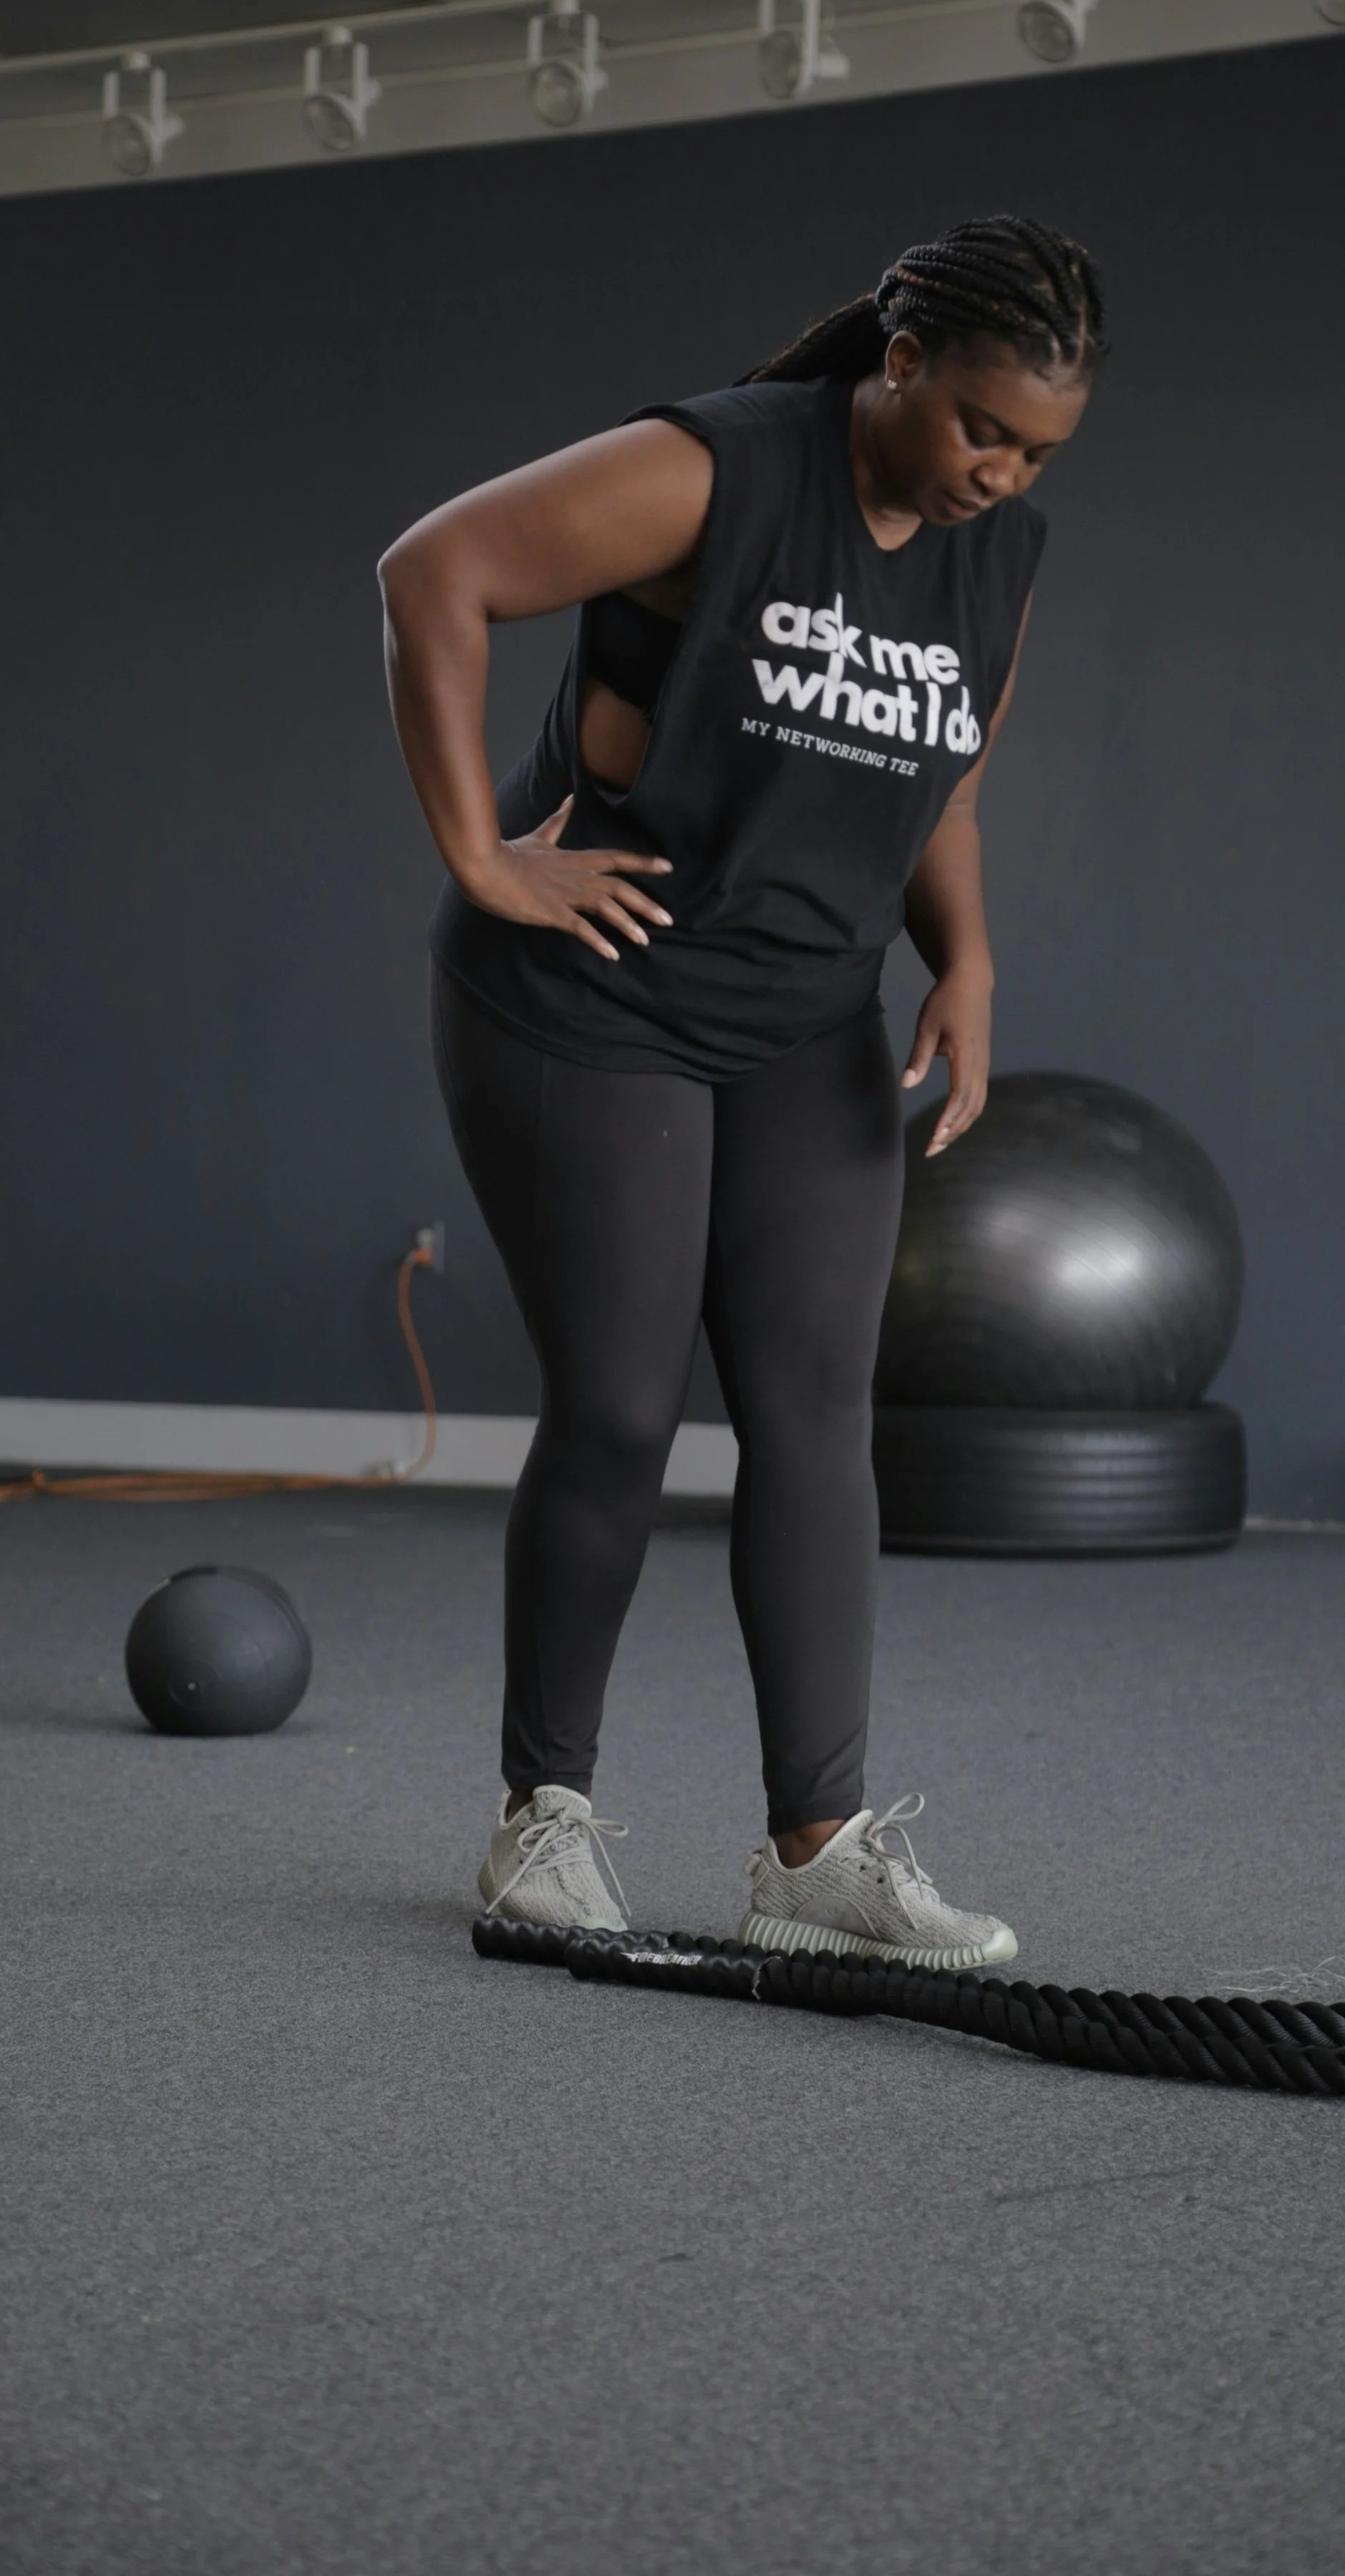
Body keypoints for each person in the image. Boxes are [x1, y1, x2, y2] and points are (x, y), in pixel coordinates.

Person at [378, 213, 1104, 1965]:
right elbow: (432, 569)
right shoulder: (710, 470)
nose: (996, 471)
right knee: (622, 1409)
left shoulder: (994, 557)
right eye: (976, 426)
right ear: (901, 361)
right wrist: (480, 852)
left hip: (803, 1016)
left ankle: (816, 1850)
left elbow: (938, 787)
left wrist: (972, 962)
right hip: (591, 996)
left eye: (1034, 449)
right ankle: (537, 1822)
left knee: (812, 1418)